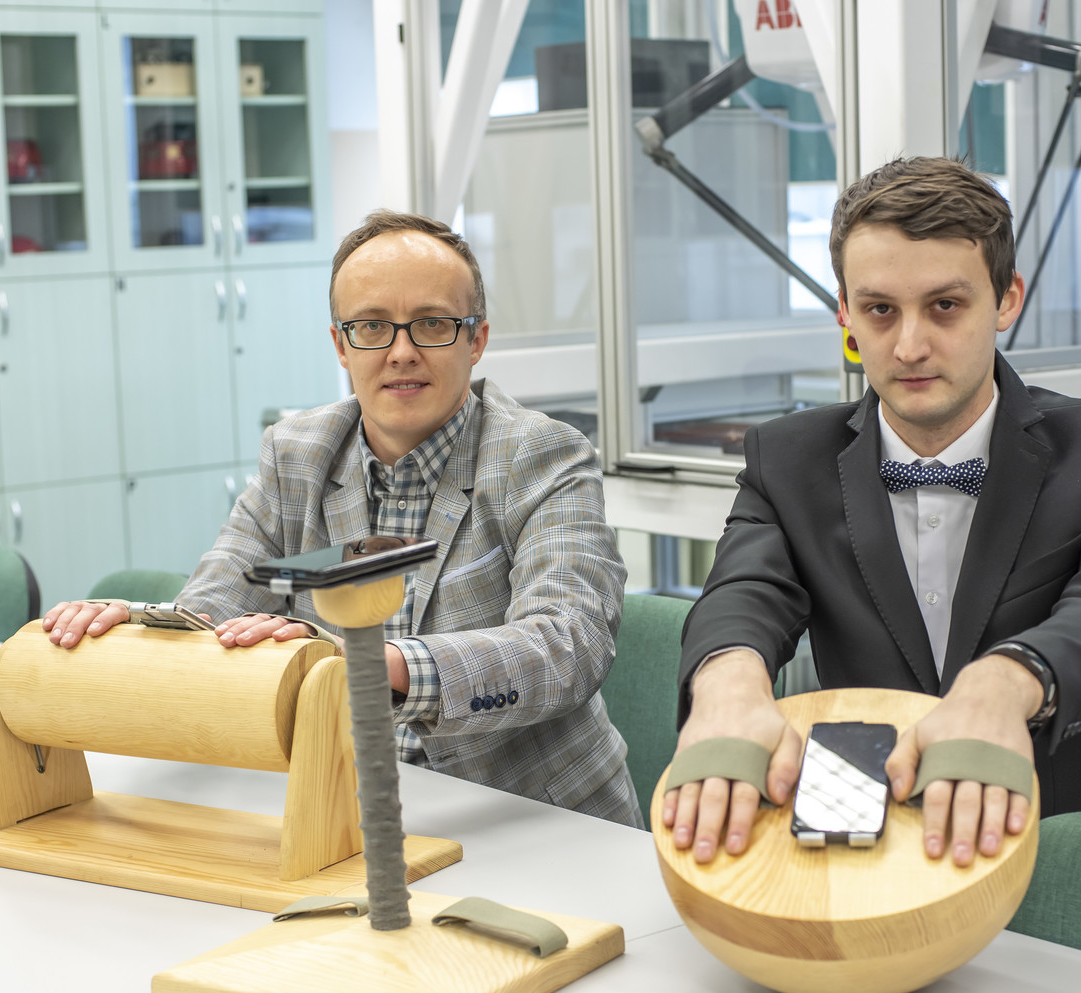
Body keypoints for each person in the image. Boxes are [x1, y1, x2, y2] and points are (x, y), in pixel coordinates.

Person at [42, 211, 641, 828]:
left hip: (529, 819)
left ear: (476, 340)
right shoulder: (297, 454)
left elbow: (567, 644)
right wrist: (144, 627)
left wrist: (382, 665)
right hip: (346, 809)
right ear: (341, 346)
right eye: (372, 327)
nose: (401, 352)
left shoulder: (541, 455)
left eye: (432, 324)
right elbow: (220, 600)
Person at [665, 156, 1081, 867]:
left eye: (945, 306)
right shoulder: (786, 459)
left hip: (1058, 853)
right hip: (854, 849)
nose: (909, 347)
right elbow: (742, 590)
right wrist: (727, 682)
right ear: (845, 313)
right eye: (880, 309)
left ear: (1006, 300)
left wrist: (1007, 681)